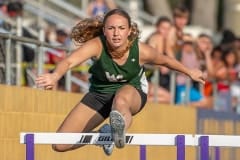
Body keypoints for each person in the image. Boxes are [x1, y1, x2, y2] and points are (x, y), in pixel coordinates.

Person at [35, 9, 205, 156]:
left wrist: (189, 72)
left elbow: (166, 60)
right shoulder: (97, 45)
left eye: (121, 28)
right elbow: (69, 61)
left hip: (132, 92)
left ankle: (119, 127)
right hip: (99, 95)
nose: (116, 33)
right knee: (60, 144)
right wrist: (55, 76)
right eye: (111, 28)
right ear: (105, 31)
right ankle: (105, 136)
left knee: (121, 99)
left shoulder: (141, 50)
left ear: (129, 31)